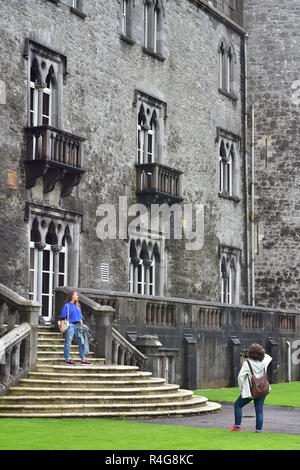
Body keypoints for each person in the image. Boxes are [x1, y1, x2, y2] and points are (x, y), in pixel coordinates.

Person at [229, 343, 272, 433]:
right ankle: (258, 430)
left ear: (250, 353)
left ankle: (237, 426)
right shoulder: (265, 361)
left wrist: (241, 389)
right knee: (259, 410)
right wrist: (261, 352)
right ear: (261, 353)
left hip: (251, 391)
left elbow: (240, 377)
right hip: (263, 390)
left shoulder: (247, 363)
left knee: (237, 405)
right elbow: (268, 356)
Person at [59, 290, 91, 366]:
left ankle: (83, 359)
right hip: (70, 325)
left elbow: (80, 317)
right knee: (68, 342)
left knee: (81, 342)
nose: (77, 296)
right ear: (72, 296)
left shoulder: (78, 305)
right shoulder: (67, 305)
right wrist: (62, 326)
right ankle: (67, 359)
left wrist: (82, 326)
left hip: (78, 326)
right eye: (76, 295)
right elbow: (63, 317)